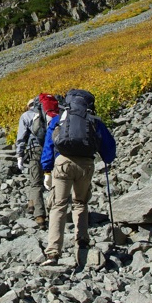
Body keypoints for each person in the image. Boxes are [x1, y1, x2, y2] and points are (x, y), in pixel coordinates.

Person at [40, 89, 116, 265]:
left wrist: (47, 170)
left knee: (58, 205)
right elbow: (109, 150)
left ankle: (53, 253)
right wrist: (106, 159)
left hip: (63, 163)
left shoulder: (61, 119)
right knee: (80, 203)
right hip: (86, 165)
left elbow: (49, 145)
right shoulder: (94, 121)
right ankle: (82, 243)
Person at [15, 96, 57, 227]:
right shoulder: (53, 114)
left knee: (36, 183)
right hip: (54, 149)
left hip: (36, 151)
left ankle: (39, 216)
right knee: (56, 181)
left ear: (29, 106)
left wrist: (19, 155)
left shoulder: (26, 116)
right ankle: (53, 210)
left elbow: (21, 137)